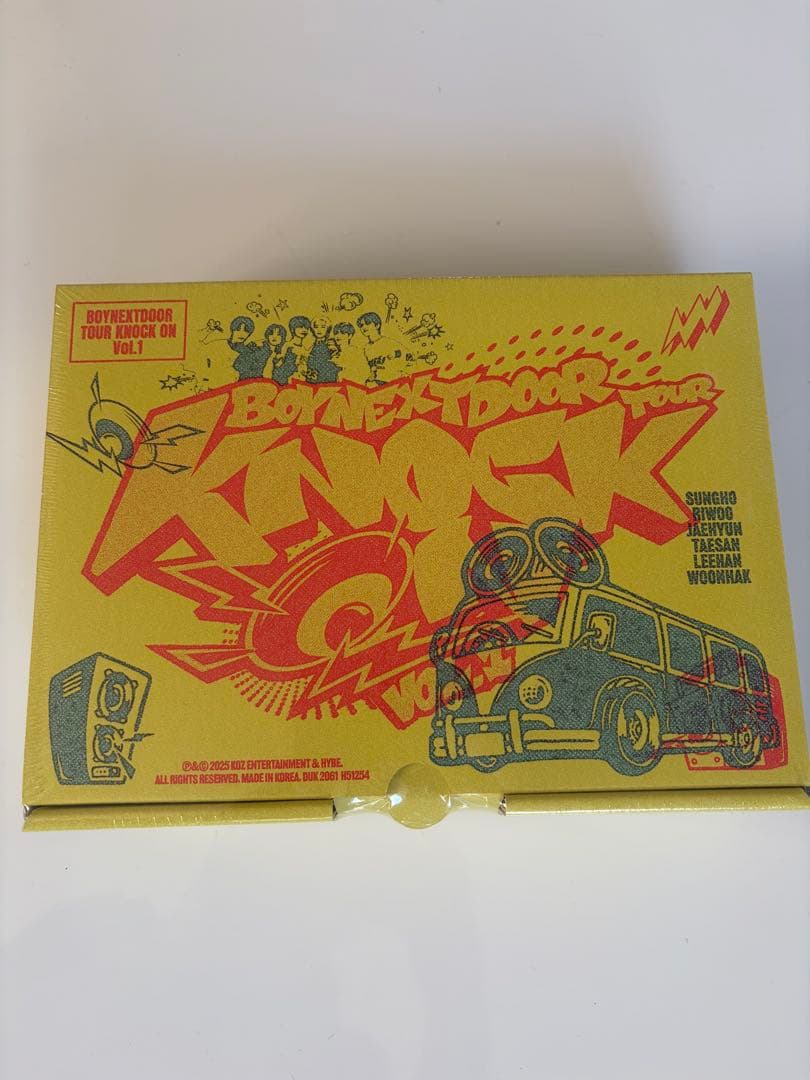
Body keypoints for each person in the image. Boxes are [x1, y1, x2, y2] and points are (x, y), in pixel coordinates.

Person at [356, 312, 406, 384]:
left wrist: (394, 354)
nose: (363, 327)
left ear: (377, 325)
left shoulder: (388, 341)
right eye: (361, 325)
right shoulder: (366, 348)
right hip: (378, 383)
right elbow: (372, 367)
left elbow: (406, 353)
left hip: (393, 381)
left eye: (367, 323)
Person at [227, 315, 270, 380]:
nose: (242, 334)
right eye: (238, 329)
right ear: (232, 330)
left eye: (246, 331)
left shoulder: (250, 349)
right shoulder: (224, 346)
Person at [306, 315, 341, 383]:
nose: (319, 330)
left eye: (323, 327)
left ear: (327, 329)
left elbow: (335, 361)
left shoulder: (330, 343)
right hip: (312, 378)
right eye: (316, 327)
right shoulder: (313, 345)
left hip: (327, 378)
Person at [284, 315, 313, 380]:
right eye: (300, 327)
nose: (304, 330)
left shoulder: (304, 349)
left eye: (306, 328)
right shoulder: (287, 346)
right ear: (292, 329)